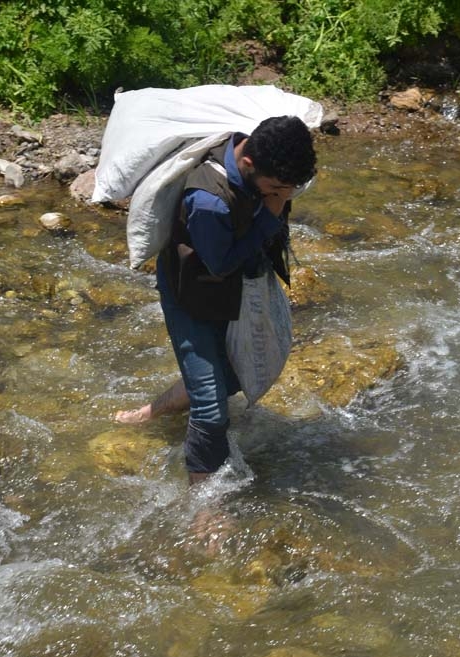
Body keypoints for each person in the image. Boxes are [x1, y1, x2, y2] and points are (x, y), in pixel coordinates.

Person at [114, 116, 317, 485]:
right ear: (249, 164)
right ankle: (203, 507)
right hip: (192, 290)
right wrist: (270, 215)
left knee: (237, 372)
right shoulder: (209, 201)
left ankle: (153, 410)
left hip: (236, 282)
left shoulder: (260, 156)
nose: (283, 194)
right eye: (276, 188)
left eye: (289, 188)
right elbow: (220, 264)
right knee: (211, 411)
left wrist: (276, 196)